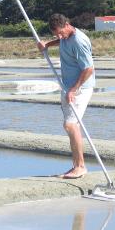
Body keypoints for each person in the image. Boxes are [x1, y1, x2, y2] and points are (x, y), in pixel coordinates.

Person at [37, 14, 95, 179]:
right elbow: (62, 41)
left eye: (60, 33)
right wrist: (47, 44)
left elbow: (88, 69)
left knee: (70, 125)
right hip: (68, 85)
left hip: (80, 88)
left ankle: (81, 167)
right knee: (69, 126)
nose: (59, 37)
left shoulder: (79, 41)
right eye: (56, 35)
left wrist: (74, 89)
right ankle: (76, 165)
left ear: (67, 25)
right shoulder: (65, 37)